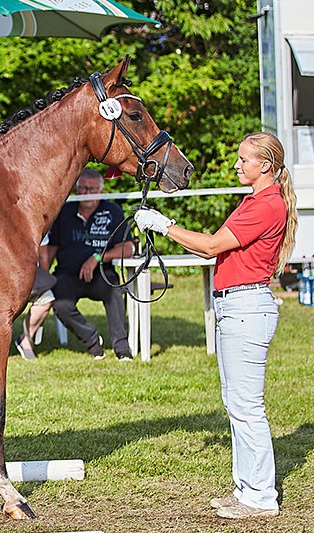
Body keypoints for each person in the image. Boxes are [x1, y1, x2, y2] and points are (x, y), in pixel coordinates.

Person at [135, 132, 296, 520]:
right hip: (235, 307)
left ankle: (260, 496)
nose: (237, 165)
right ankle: (247, 489)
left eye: (244, 160)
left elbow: (210, 247)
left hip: (245, 308)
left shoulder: (266, 205)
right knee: (236, 404)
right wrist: (167, 228)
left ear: (266, 167)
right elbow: (212, 245)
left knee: (246, 407)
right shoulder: (254, 201)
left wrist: (163, 225)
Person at [46, 168, 134, 361]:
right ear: (76, 191)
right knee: (61, 305)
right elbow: (51, 248)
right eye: (83, 189)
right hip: (67, 275)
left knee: (114, 291)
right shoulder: (64, 211)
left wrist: (98, 257)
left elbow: (128, 249)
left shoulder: (112, 211)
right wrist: (42, 275)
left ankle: (122, 348)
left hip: (102, 273)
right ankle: (92, 341)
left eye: (92, 189)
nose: (87, 193)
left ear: (101, 191)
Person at [14, 233, 57, 360]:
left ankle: (26, 339)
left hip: (29, 275)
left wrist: (44, 280)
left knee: (47, 297)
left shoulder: (39, 226)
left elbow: (44, 257)